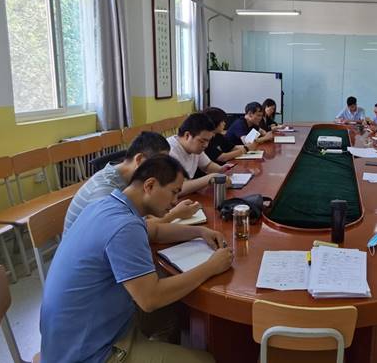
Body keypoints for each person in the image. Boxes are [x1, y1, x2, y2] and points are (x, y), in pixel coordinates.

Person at [41, 155, 233, 363]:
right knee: (205, 360)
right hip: (90, 353)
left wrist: (199, 232)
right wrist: (211, 266)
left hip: (71, 337)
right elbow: (151, 299)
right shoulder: (124, 227)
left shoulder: (108, 204)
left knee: (176, 308)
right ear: (149, 186)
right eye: (173, 192)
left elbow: (155, 231)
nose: (175, 201)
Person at [64, 131, 200, 233]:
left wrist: (198, 232)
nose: (165, 170)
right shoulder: (105, 193)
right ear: (139, 160)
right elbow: (133, 230)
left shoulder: (132, 183)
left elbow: (144, 221)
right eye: (160, 163)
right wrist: (174, 214)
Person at [167, 112, 233, 195]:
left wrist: (220, 169)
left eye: (208, 141)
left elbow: (207, 165)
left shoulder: (194, 147)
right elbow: (177, 189)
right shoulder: (169, 151)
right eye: (202, 141)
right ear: (187, 135)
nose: (206, 145)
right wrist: (210, 178)